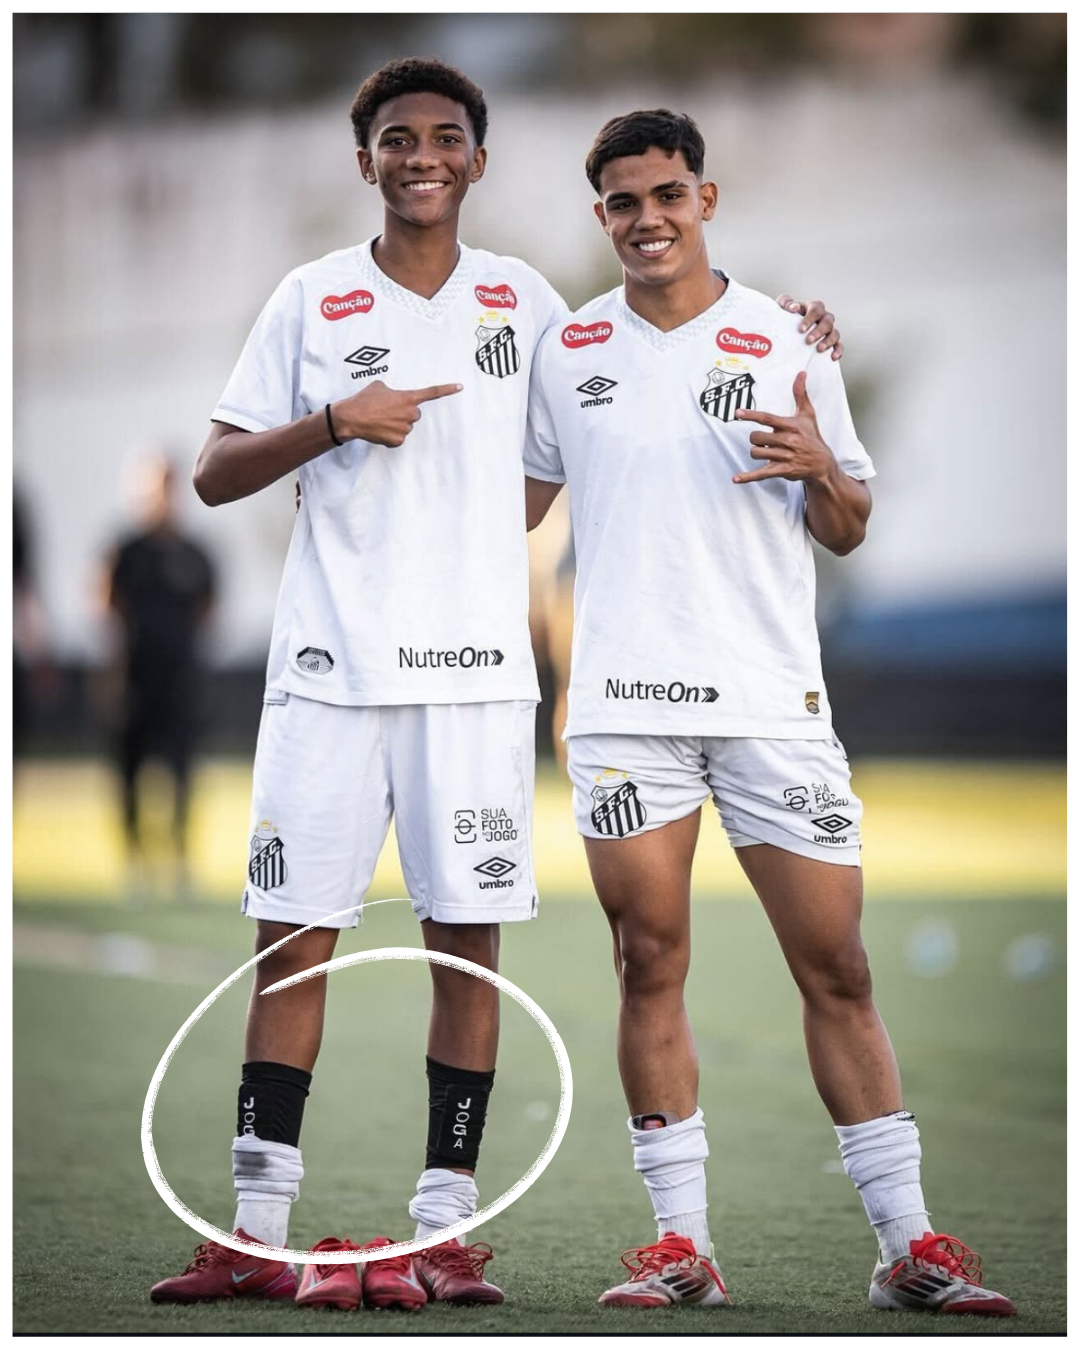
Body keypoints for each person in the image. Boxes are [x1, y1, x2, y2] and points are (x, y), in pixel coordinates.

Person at [149, 61, 841, 1313]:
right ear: (366, 162)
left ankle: (443, 1231)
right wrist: (332, 422)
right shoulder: (308, 299)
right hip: (327, 673)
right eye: (397, 139)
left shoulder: (531, 306)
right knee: (291, 947)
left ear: (477, 160)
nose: (422, 155)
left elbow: (654, 340)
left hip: (475, 682)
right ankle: (255, 1226)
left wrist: (795, 331)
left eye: (446, 138)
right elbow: (211, 472)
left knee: (466, 957)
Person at [523, 109, 1015, 1318]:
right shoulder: (566, 348)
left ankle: (910, 1248)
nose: (649, 218)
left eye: (669, 195)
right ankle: (680, 1247)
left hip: (769, 702)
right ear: (604, 218)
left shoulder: (789, 337)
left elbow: (849, 523)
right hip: (624, 708)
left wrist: (821, 472)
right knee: (650, 960)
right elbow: (513, 510)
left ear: (707, 199)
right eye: (625, 202)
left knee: (837, 966)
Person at [105, 455, 215, 898]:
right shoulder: (127, 550)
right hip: (136, 677)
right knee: (130, 771)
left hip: (180, 679)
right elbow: (108, 605)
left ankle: (179, 858)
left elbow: (209, 606)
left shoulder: (194, 552)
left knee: (183, 771)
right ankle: (135, 861)